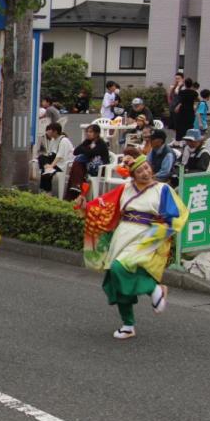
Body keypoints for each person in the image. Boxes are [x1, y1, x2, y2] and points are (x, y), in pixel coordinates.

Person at [81, 153, 187, 340]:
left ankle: (154, 289)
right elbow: (103, 205)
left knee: (120, 267)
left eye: (146, 168)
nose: (145, 173)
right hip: (123, 235)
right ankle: (128, 324)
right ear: (133, 175)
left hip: (147, 236)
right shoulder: (125, 188)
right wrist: (86, 205)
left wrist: (161, 232)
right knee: (116, 277)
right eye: (140, 171)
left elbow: (174, 215)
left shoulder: (163, 189)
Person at [66, 124, 111, 200]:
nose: (88, 133)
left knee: (79, 160)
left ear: (97, 134)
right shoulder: (88, 141)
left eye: (90, 132)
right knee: (78, 162)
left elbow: (91, 153)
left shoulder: (101, 143)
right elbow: (76, 151)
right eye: (87, 132)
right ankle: (77, 186)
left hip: (99, 168)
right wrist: (86, 149)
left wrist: (84, 150)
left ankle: (76, 188)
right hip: (88, 166)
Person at [36, 122, 74, 194]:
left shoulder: (64, 140)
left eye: (49, 130)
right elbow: (50, 153)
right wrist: (48, 166)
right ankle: (47, 190)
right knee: (41, 158)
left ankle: (46, 192)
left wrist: (51, 166)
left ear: (55, 131)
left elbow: (60, 156)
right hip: (54, 161)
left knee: (45, 172)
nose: (47, 132)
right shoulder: (53, 140)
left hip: (62, 164)